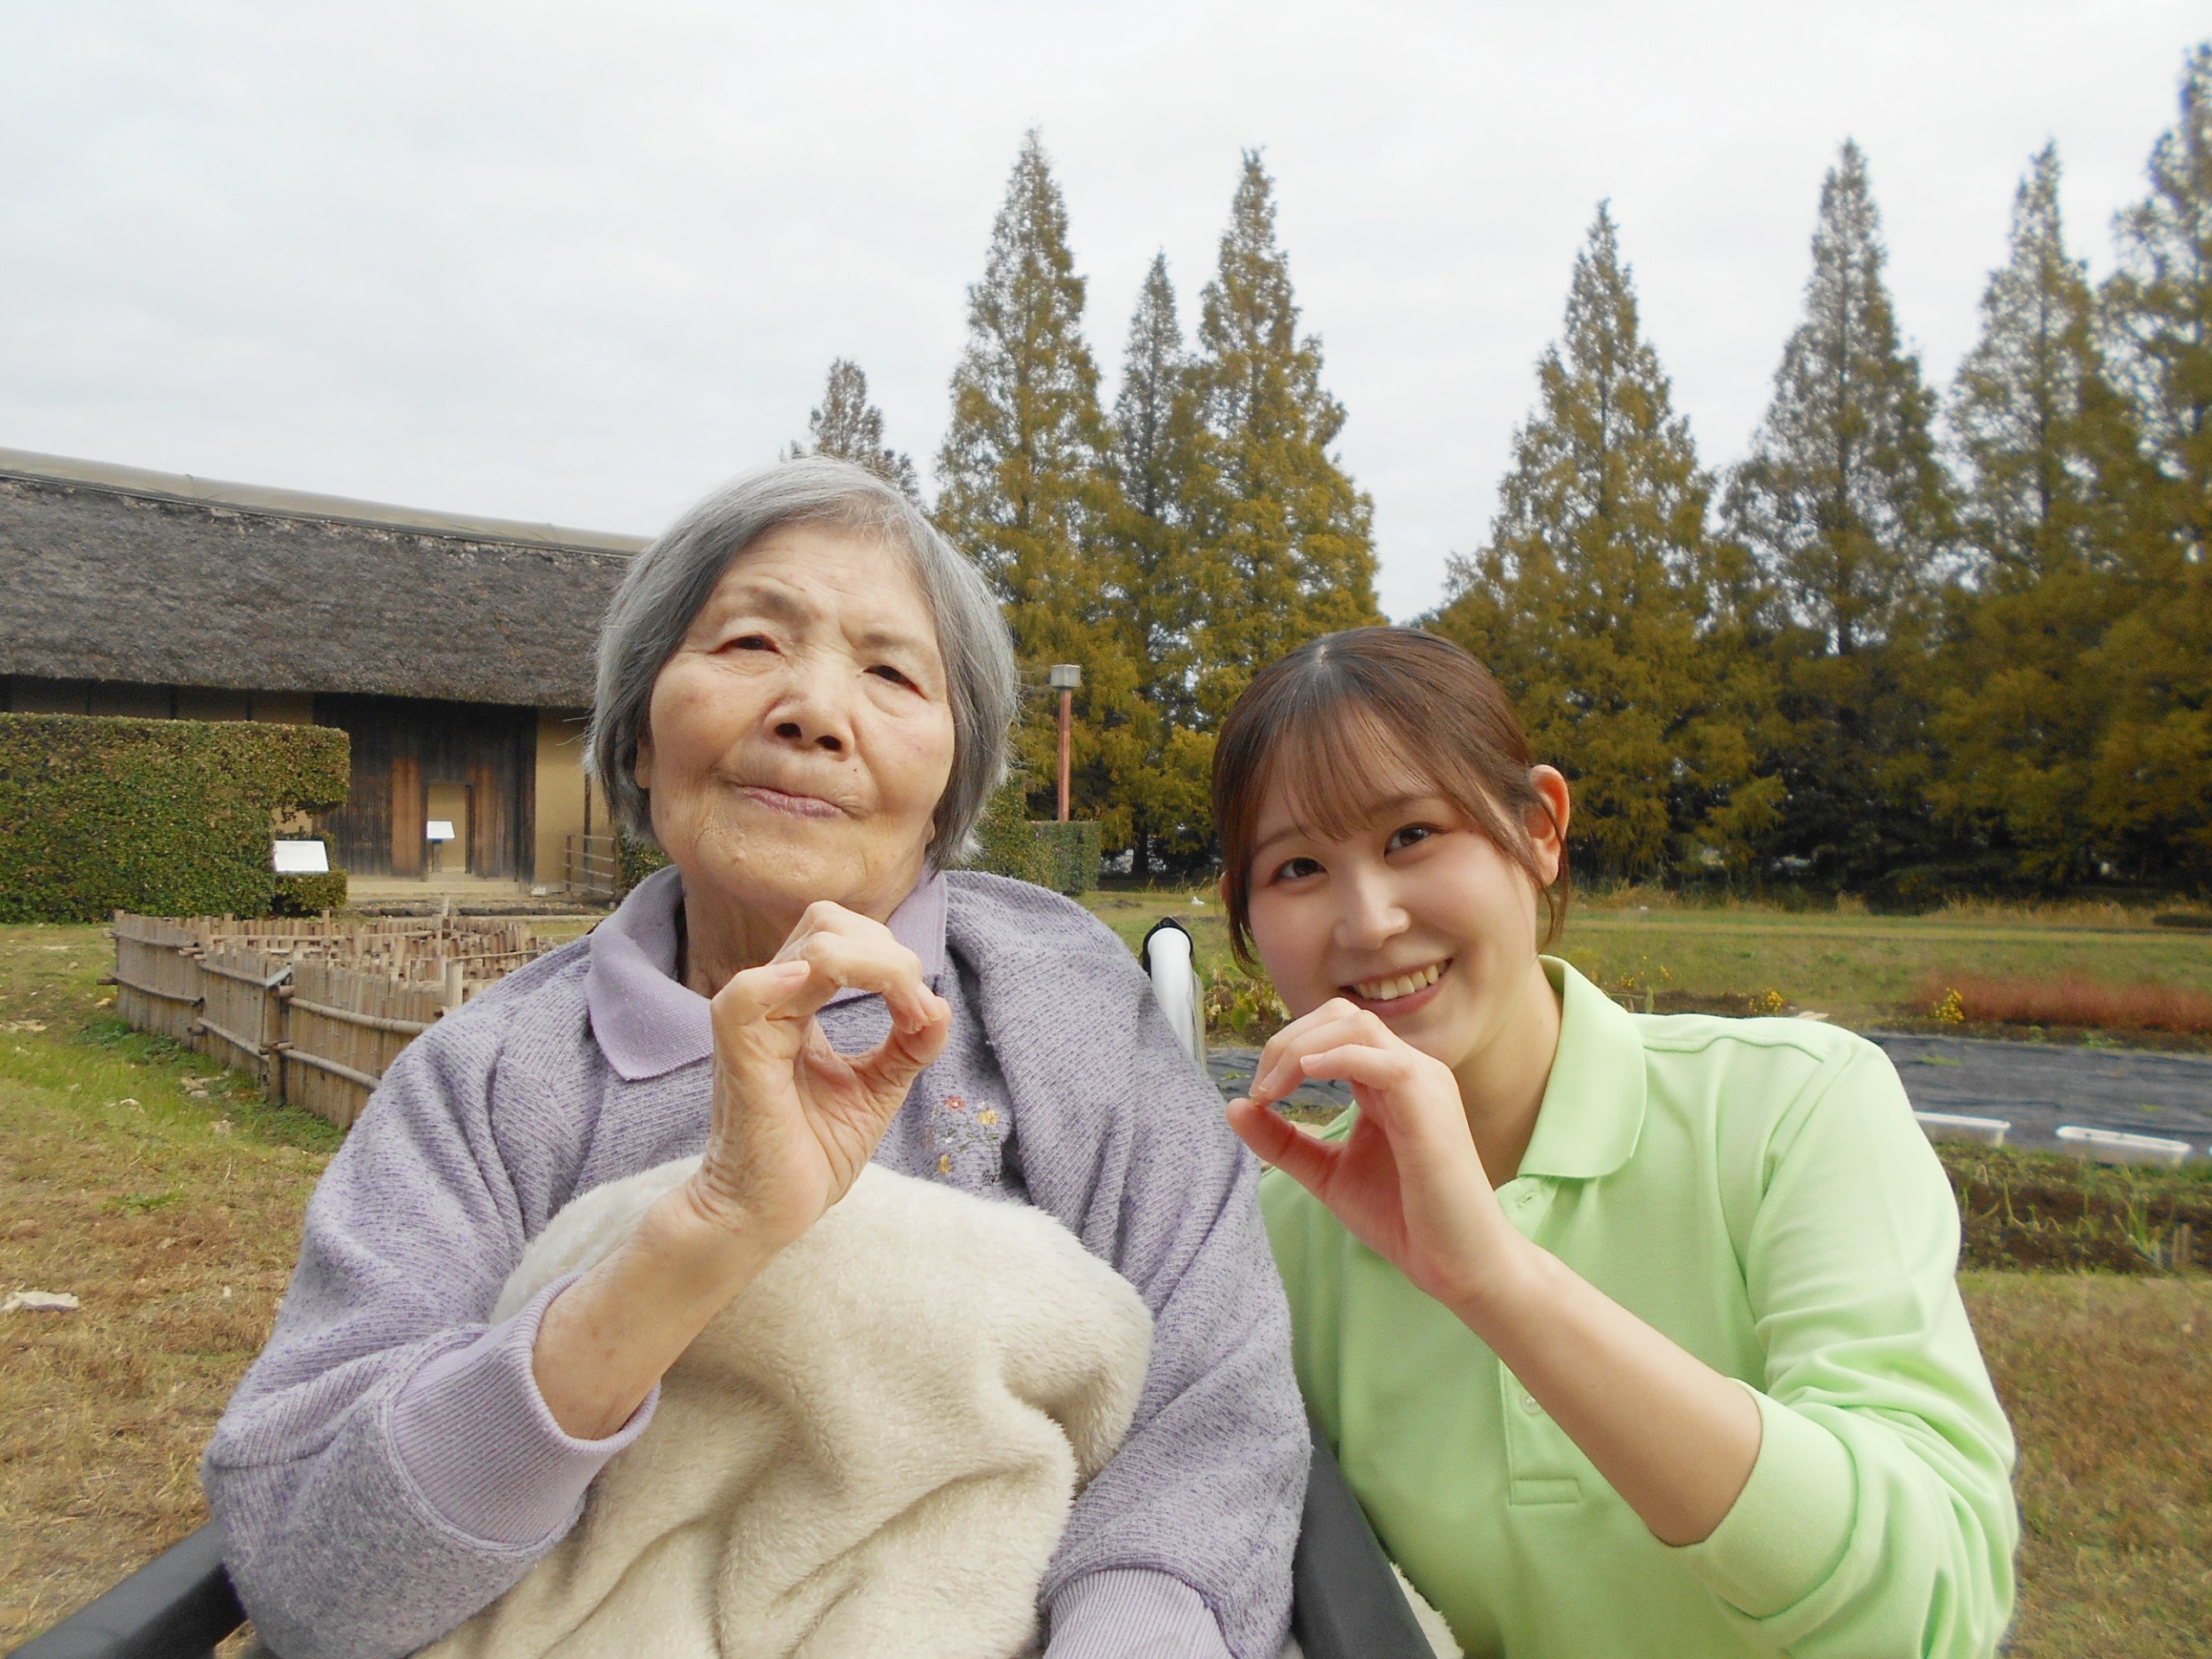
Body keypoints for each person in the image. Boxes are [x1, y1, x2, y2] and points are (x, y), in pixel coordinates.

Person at [203, 458, 1306, 1659]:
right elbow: (311, 1567)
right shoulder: (488, 1080)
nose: (814, 712)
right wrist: (708, 1231)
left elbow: (1215, 1411)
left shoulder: (1064, 1004)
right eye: (746, 646)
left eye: (890, 672)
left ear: (948, 788)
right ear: (635, 738)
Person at [1217, 627, 2017, 1659]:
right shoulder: (1277, 1235)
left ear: (1541, 827)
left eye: (1411, 834)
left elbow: (1931, 1606)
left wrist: (1501, 1284)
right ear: (1244, 921)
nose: (1368, 920)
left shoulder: (1789, 1109)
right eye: (1297, 868)